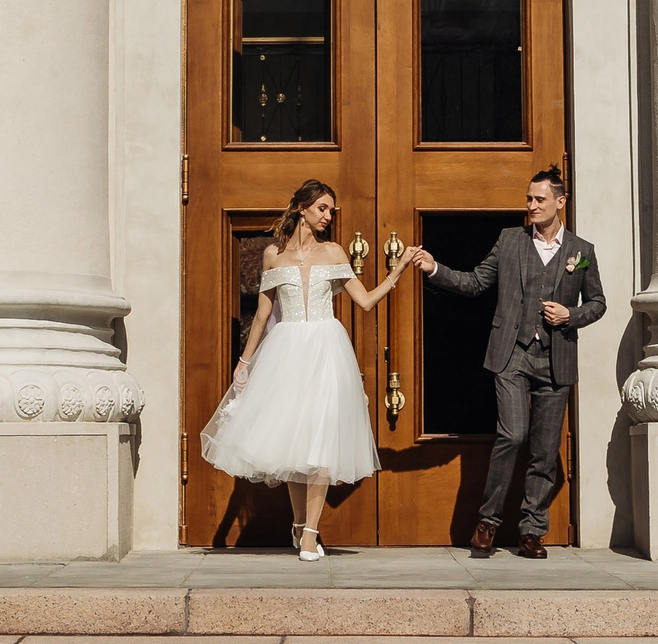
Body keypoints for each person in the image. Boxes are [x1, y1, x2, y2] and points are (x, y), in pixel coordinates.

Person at [200, 178, 414, 561]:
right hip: (287, 350)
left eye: (331, 210)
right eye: (322, 209)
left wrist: (394, 275)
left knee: (320, 441)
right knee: (295, 444)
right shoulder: (272, 256)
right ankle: (300, 526)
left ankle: (311, 533)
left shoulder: (333, 253)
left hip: (326, 349)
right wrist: (244, 364)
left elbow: (363, 302)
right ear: (302, 208)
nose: (328, 216)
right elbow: (263, 315)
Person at [411, 165, 605, 558]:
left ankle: (532, 531)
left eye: (540, 199)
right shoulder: (510, 240)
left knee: (545, 449)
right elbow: (476, 282)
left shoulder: (581, 252)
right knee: (513, 434)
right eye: (529, 199)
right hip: (511, 354)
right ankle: (488, 522)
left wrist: (571, 315)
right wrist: (435, 270)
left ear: (560, 202)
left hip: (557, 360)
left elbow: (598, 303)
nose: (531, 205)